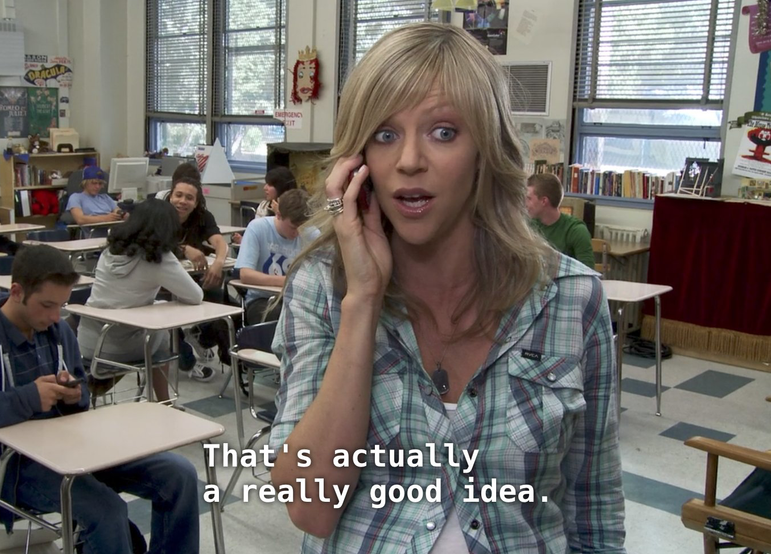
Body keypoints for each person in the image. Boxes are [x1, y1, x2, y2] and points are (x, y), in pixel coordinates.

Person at [269, 23, 625, 553]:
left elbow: (593, 514)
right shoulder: (323, 286)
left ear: (486, 150)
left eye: (443, 132)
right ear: (358, 163)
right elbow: (311, 508)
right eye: (385, 135)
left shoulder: (571, 298)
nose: (409, 160)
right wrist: (363, 300)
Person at [0, 245, 201, 554]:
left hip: (74, 448)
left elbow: (82, 399)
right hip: (17, 469)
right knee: (107, 510)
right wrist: (28, 398)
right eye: (47, 305)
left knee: (179, 474)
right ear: (17, 292)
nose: (55, 316)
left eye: (61, 305)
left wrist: (74, 395)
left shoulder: (58, 331)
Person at [77, 199, 208, 400]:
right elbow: (195, 296)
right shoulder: (158, 258)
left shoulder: (110, 250)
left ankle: (98, 387)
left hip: (87, 341)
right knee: (161, 331)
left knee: (152, 325)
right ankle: (164, 401)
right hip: (119, 346)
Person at [167, 176, 233, 369]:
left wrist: (218, 263)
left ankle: (207, 340)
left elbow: (220, 243)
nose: (182, 201)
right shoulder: (160, 215)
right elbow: (155, 243)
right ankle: (186, 360)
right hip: (160, 280)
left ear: (196, 203)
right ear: (171, 196)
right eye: (178, 195)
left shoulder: (203, 216)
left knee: (224, 303)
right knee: (167, 315)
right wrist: (184, 248)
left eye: (189, 198)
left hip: (192, 278)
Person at [234, 189, 314, 323]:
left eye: (302, 227)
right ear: (278, 215)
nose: (298, 233)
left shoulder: (311, 234)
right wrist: (286, 281)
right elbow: (246, 274)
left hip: (298, 299)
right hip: (262, 299)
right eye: (293, 227)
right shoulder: (258, 228)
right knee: (280, 317)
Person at [525, 173, 596, 269]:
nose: (525, 203)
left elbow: (588, 273)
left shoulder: (576, 231)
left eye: (529, 198)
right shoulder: (528, 225)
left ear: (544, 201)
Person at [231, 166, 299, 245]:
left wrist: (278, 212)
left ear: (281, 187)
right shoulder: (264, 206)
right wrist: (244, 240)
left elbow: (293, 235)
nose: (265, 188)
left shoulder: (297, 207)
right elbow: (258, 233)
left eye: (270, 185)